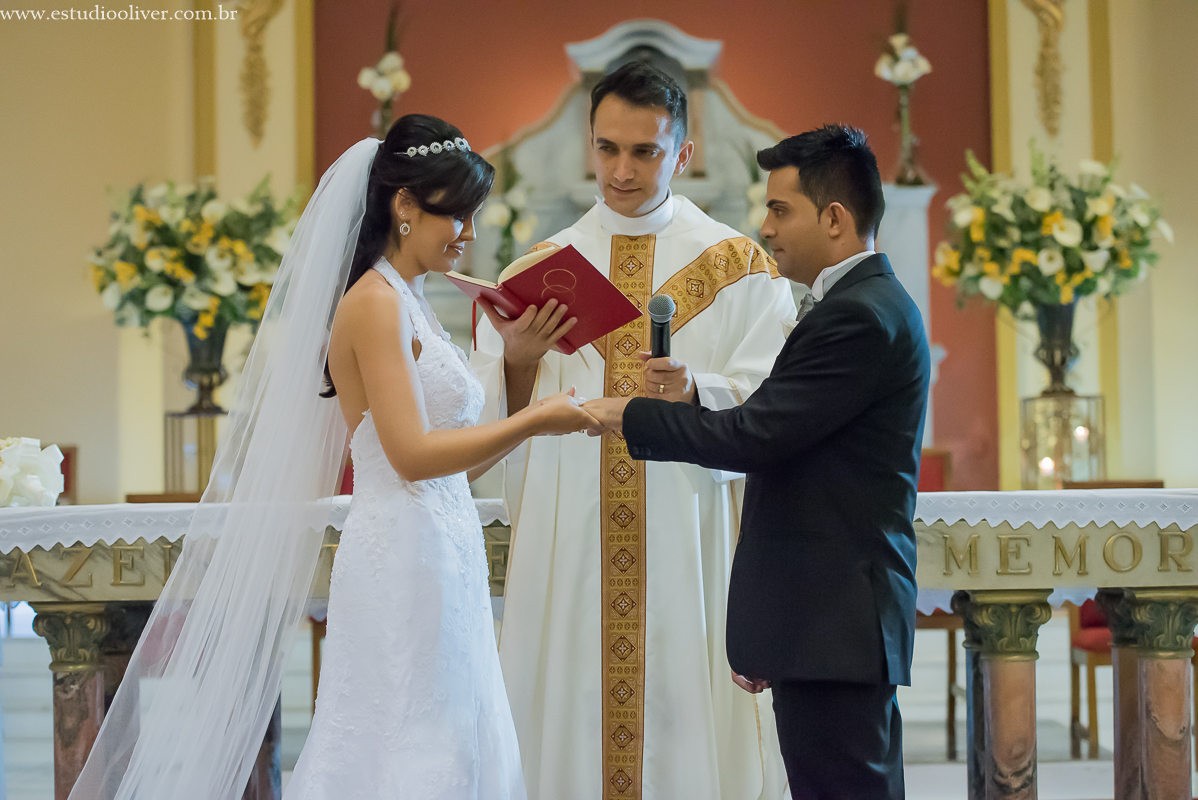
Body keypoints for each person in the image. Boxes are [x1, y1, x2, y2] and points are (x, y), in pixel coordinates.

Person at [68, 115, 596, 800]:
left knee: (451, 735)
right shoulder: (375, 303)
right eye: (455, 214)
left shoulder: (412, 300)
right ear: (404, 204)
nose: (468, 231)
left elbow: (457, 469)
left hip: (442, 547)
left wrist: (520, 373)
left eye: (473, 214)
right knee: (399, 742)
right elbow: (408, 457)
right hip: (401, 555)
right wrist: (535, 420)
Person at [471, 62, 795, 799]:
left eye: (645, 152)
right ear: (589, 142)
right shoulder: (541, 270)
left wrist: (695, 390)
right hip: (572, 538)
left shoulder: (740, 270)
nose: (622, 170)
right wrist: (518, 363)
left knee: (687, 709)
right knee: (575, 702)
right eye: (608, 148)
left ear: (683, 152)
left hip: (690, 533)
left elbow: (774, 403)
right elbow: (488, 428)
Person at [584, 125, 931, 800]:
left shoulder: (858, 314)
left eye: (780, 209)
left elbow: (757, 435)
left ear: (834, 218)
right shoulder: (856, 304)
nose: (765, 227)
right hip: (821, 622)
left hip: (833, 620)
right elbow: (788, 433)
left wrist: (629, 416)